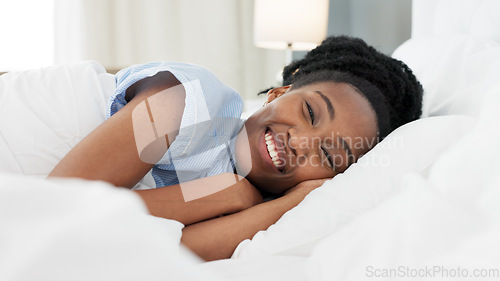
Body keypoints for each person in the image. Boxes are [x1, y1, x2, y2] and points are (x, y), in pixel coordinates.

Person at [48, 36, 423, 260]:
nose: (301, 142)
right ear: (277, 94)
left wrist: (280, 203)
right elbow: (58, 211)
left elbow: (168, 251)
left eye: (328, 156)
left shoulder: (251, 200)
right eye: (310, 111)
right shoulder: (188, 99)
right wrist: (221, 195)